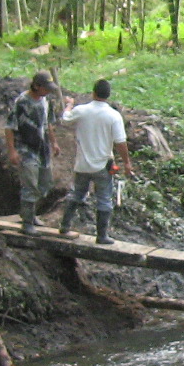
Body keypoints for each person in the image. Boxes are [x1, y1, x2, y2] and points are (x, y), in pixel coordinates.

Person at [58, 79, 133, 246]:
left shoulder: (82, 111)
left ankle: (64, 225)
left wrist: (69, 105)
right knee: (104, 199)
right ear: (108, 95)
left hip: (82, 164)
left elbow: (65, 119)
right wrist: (127, 163)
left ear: (93, 93)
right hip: (103, 165)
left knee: (77, 193)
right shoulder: (113, 116)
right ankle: (102, 235)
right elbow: (120, 142)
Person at [4, 70, 59, 234]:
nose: (48, 91)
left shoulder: (45, 100)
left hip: (42, 149)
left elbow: (49, 123)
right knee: (30, 184)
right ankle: (27, 222)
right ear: (36, 86)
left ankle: (30, 213)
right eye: (45, 88)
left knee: (45, 183)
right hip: (26, 149)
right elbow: (9, 127)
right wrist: (12, 150)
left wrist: (54, 142)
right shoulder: (22, 102)